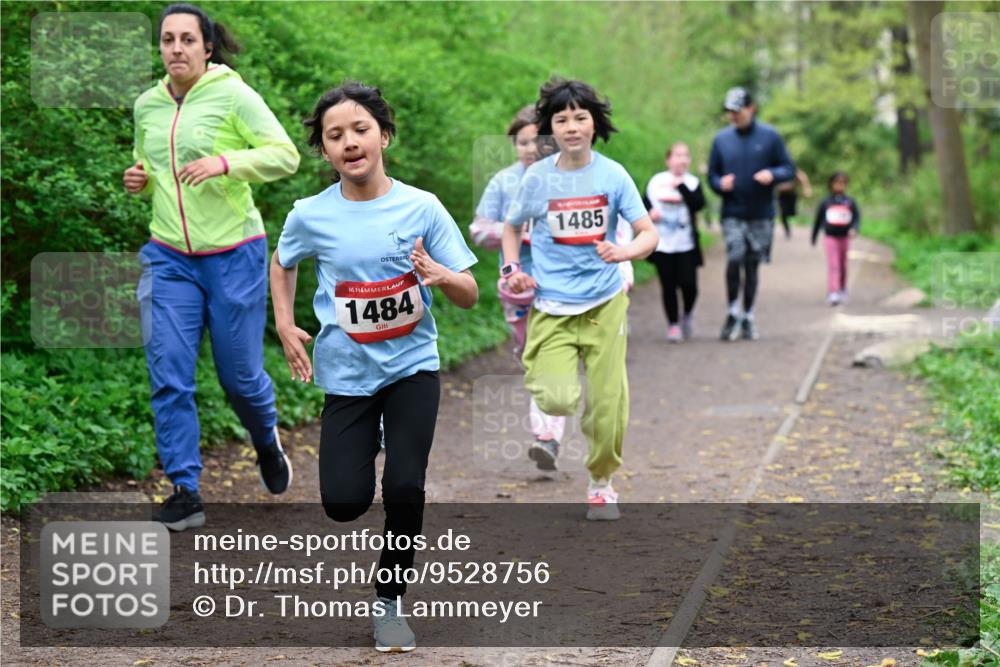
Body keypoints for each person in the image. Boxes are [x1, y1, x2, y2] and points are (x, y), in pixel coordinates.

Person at [270, 82, 478, 652]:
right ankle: (376, 434)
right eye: (335, 135)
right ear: (325, 151)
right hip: (348, 373)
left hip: (412, 366)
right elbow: (282, 262)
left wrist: (442, 276)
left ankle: (389, 601)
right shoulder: (311, 214)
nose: (349, 142)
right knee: (343, 504)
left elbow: (469, 293)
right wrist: (285, 323)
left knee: (405, 485)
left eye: (360, 129)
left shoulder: (422, 207)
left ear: (383, 136)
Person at [124, 3, 300, 531]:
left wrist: (226, 162)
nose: (176, 48)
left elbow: (284, 155)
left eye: (187, 39)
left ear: (206, 47)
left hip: (233, 252)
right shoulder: (147, 105)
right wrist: (140, 180)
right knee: (168, 374)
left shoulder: (233, 95)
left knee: (239, 377)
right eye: (167, 39)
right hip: (168, 256)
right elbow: (151, 168)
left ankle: (265, 439)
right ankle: (185, 489)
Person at [502, 78, 658, 521]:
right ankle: (552, 412)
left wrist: (624, 252)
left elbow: (648, 233)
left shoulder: (613, 175)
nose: (571, 127)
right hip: (552, 306)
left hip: (604, 304)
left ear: (595, 124)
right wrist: (512, 269)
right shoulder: (537, 178)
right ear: (550, 128)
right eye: (562, 119)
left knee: (608, 404)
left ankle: (601, 483)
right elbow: (512, 227)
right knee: (557, 399)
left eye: (580, 117)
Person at [469, 107, 567, 468]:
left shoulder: (567, 180)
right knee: (531, 356)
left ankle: (547, 437)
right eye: (522, 142)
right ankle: (547, 431)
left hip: (561, 284)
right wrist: (514, 231)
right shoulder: (503, 182)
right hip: (517, 286)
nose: (530, 149)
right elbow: (479, 230)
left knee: (552, 355)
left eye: (537, 142)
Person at [707, 86, 795, 341]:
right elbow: (712, 175)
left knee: (752, 264)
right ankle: (732, 311)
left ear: (751, 108)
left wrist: (772, 174)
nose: (733, 116)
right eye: (729, 111)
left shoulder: (770, 136)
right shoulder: (721, 140)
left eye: (738, 111)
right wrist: (719, 183)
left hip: (761, 213)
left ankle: (748, 315)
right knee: (735, 257)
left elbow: (788, 168)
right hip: (733, 211)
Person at [646, 142, 706, 342]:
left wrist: (681, 186)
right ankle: (673, 324)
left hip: (686, 244)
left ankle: (687, 314)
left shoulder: (692, 182)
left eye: (685, 155)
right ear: (668, 159)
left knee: (690, 286)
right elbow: (642, 205)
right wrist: (649, 213)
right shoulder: (656, 181)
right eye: (677, 155)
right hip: (662, 244)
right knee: (668, 286)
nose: (682, 159)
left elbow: (698, 204)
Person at [811, 172, 861, 305]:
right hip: (830, 237)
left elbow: (856, 218)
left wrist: (854, 229)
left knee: (843, 264)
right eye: (837, 182)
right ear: (831, 184)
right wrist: (814, 237)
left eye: (843, 183)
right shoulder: (826, 202)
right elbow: (818, 220)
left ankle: (842, 288)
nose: (840, 185)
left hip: (844, 238)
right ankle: (833, 291)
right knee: (834, 264)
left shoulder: (850, 202)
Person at [775, 168, 813, 239]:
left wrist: (806, 188)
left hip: (791, 194)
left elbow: (802, 177)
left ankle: (793, 219)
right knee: (783, 214)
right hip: (782, 196)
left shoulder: (790, 168)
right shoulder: (777, 169)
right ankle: (787, 231)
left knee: (792, 212)